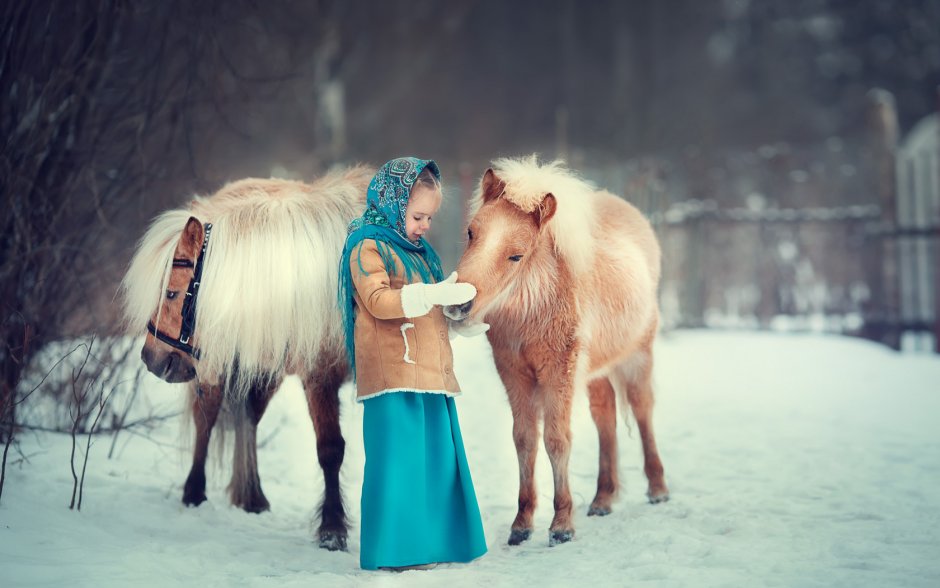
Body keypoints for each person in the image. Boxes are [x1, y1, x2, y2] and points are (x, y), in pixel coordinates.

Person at [338, 157, 488, 571]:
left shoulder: (420, 254)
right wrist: (430, 296)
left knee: (439, 462)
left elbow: (430, 307)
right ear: (392, 202)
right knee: (399, 464)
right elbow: (378, 301)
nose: (424, 225)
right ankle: (397, 551)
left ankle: (440, 541)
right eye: (418, 215)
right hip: (393, 377)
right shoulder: (367, 245)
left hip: (430, 375)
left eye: (429, 217)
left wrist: (457, 321)